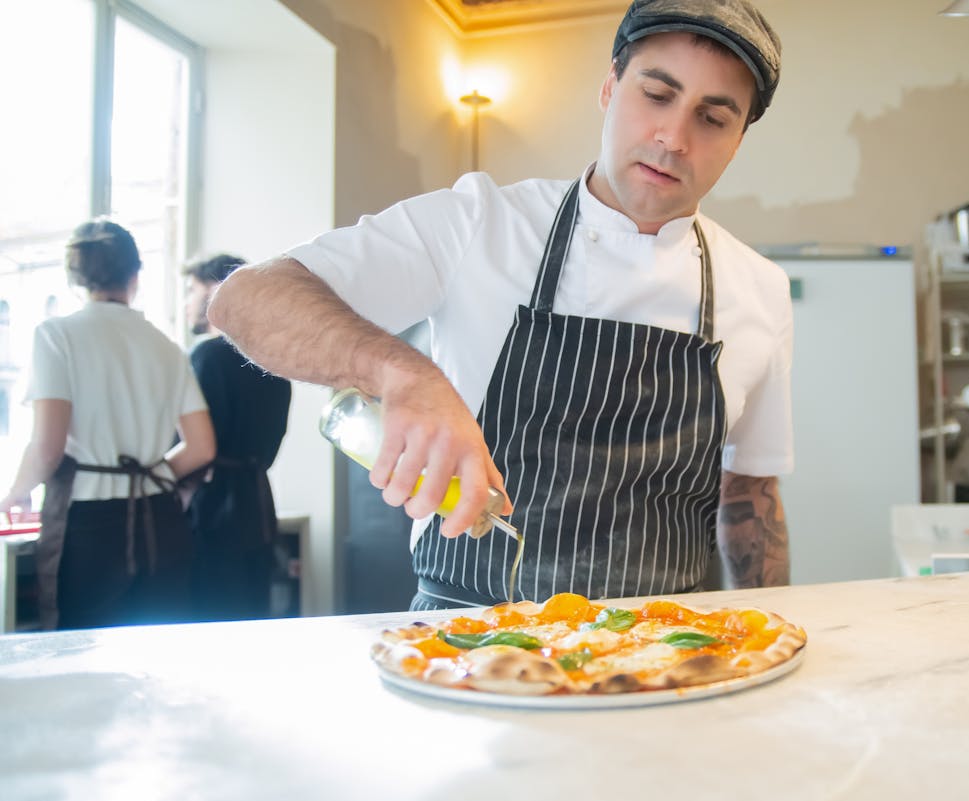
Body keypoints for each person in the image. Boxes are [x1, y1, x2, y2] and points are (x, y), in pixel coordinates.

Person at [210, 0, 792, 611]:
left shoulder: (759, 288)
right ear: (610, 88)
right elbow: (245, 300)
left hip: (666, 654)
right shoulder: (478, 222)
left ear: (738, 140)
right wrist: (401, 372)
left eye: (713, 117)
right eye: (656, 94)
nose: (673, 138)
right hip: (466, 645)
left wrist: (775, 631)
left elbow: (749, 491)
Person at [0, 220, 215, 630]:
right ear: (135, 276)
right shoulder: (166, 346)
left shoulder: (56, 335)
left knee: (81, 654)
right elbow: (202, 447)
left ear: (73, 278)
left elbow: (47, 446)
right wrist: (150, 474)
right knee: (158, 657)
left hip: (90, 526)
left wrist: (15, 493)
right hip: (162, 522)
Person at [182, 253, 291, 621]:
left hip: (213, 508)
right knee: (252, 617)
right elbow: (272, 448)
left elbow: (193, 446)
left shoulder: (207, 357)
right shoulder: (277, 363)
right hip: (259, 504)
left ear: (217, 291)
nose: (187, 302)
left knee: (209, 620)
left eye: (192, 290)